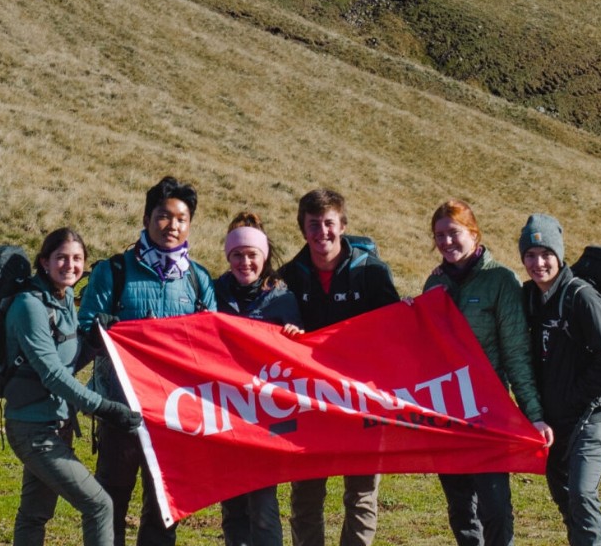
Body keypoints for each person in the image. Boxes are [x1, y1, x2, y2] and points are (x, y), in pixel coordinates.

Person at [79, 177, 216, 546]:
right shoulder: (114, 271)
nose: (172, 226)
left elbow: (212, 345)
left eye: (182, 219)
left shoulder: (198, 280)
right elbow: (85, 329)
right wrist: (108, 330)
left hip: (174, 413)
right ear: (146, 218)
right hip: (119, 408)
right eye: (164, 216)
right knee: (111, 499)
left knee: (163, 505)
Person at [3, 227, 143, 546]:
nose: (70, 265)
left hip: (56, 425)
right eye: (62, 258)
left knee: (34, 514)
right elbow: (52, 375)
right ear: (44, 261)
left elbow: (67, 363)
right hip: (33, 430)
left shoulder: (64, 298)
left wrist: (93, 341)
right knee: (99, 505)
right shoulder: (29, 306)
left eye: (77, 258)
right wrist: (105, 407)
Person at [423, 199, 551, 546]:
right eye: (439, 235)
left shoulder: (500, 281)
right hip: (447, 411)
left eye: (454, 233)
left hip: (488, 411)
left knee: (493, 505)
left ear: (474, 233)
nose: (446, 242)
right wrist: (410, 313)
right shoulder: (433, 283)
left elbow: (516, 354)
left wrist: (533, 414)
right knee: (460, 506)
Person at [278, 188, 400, 546]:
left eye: (329, 223)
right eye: (313, 224)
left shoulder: (372, 272)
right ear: (303, 229)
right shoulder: (289, 276)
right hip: (309, 402)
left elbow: (395, 330)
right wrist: (288, 332)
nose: (322, 232)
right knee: (306, 497)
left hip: (364, 400)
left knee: (361, 495)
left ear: (343, 225)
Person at [521, 213, 601, 546]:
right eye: (530, 255)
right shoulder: (529, 297)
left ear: (559, 254)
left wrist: (575, 398)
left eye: (546, 254)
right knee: (565, 496)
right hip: (556, 418)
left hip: (594, 413)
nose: (538, 263)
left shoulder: (582, 297)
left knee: (581, 494)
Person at [214, 211, 302, 546]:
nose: (245, 262)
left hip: (267, 415)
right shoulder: (214, 292)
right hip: (226, 410)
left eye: (252, 254)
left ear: (263, 256)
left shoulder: (282, 298)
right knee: (232, 504)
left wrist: (295, 336)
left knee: (263, 505)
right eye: (237, 254)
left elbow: (300, 355)